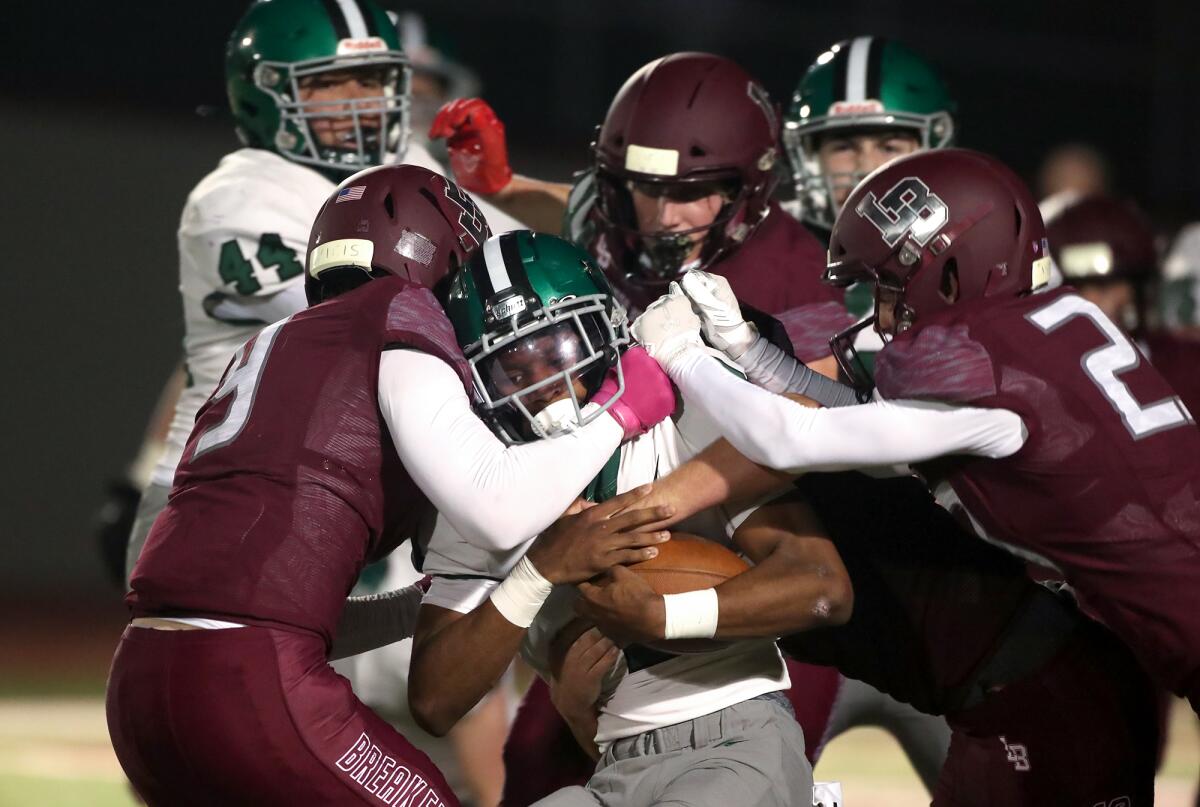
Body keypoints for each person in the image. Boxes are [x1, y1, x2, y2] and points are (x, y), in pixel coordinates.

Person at [107, 165, 677, 805]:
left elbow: (250, 605)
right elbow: (497, 511)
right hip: (249, 684)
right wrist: (624, 411)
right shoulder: (403, 310)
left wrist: (408, 609)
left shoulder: (274, 343)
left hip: (139, 685)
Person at [632, 147, 1200, 720]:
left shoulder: (988, 369)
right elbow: (864, 421)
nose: (882, 315)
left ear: (950, 274)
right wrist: (749, 351)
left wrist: (683, 355)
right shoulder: (1049, 326)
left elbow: (794, 440)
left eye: (887, 287)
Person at [409, 231, 856, 807]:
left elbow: (823, 588)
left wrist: (662, 616)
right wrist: (540, 570)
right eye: (513, 371)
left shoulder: (678, 417)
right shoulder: (486, 482)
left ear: (604, 330)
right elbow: (434, 701)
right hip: (612, 762)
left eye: (559, 351)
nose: (548, 385)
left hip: (737, 740)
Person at [113, 0, 525, 586]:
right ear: (265, 95)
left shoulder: (403, 163)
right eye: (330, 84)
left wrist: (511, 192)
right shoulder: (238, 198)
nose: (359, 99)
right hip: (225, 499)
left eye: (372, 78)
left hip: (345, 491)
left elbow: (525, 266)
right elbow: (374, 328)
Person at [429, 52, 853, 376]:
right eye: (649, 189)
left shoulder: (796, 287)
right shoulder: (622, 214)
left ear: (747, 187)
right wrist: (501, 187)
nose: (664, 217)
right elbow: (575, 210)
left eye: (690, 193)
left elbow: (804, 433)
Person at [1046, 194, 1200, 416]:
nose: (1090, 302)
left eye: (1105, 287)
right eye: (1075, 289)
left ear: (1141, 288)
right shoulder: (1036, 380)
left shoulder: (1188, 369)